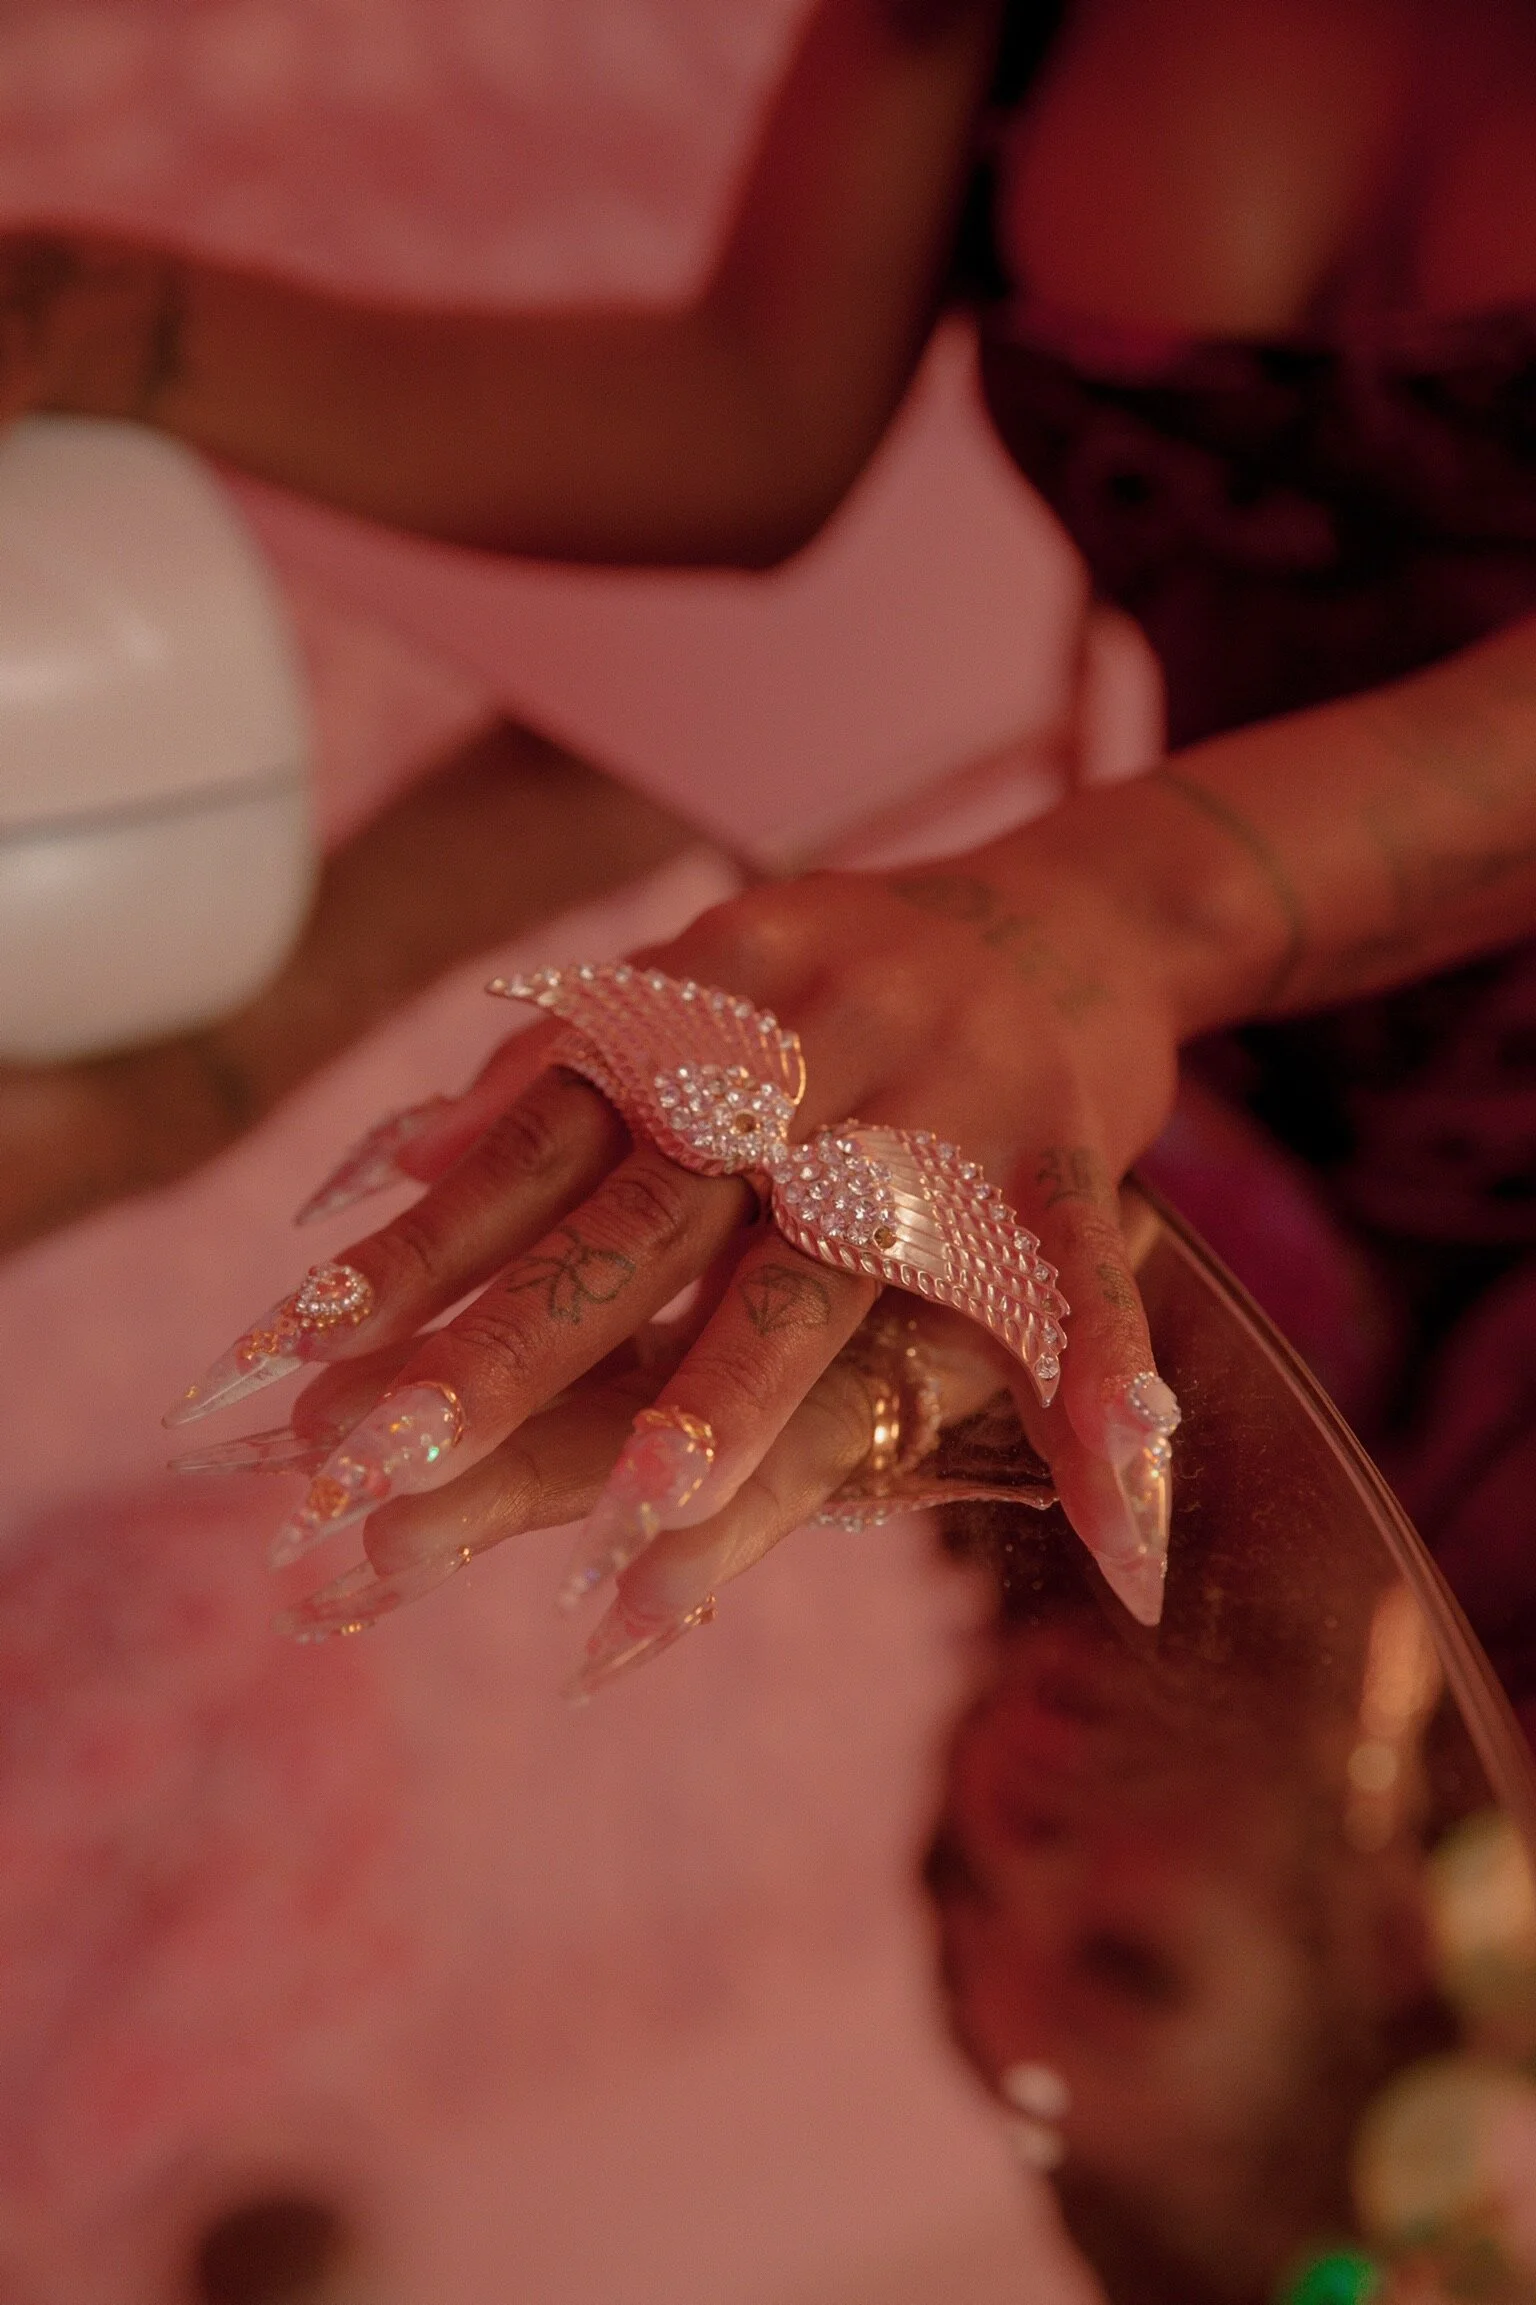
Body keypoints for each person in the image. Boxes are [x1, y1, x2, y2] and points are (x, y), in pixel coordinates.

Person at [10, 0, 1536, 1694]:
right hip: (1208, 1092)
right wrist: (82, 313)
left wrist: (1106, 915)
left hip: (1213, 1016)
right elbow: (753, 411)